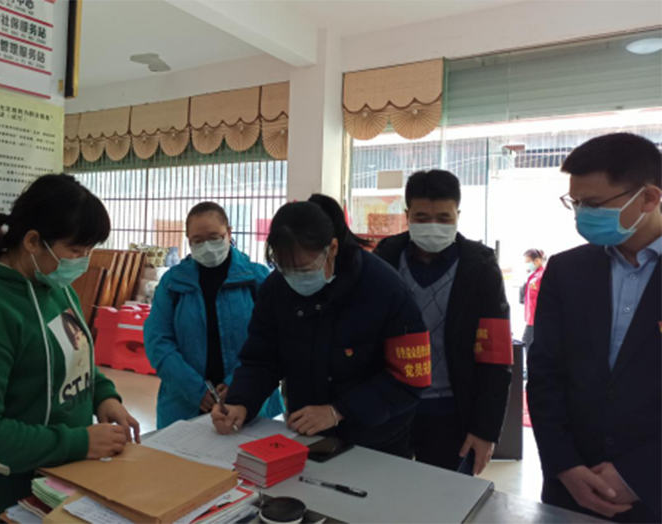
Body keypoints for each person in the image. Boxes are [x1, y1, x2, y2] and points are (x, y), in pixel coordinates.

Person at [0, 174, 141, 524]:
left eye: (88, 251)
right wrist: (79, 443)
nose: (83, 261)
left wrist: (104, 397)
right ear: (32, 241)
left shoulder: (54, 288)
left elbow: (76, 358)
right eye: (76, 251)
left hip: (54, 491)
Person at [212, 194, 430, 457]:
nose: (296, 278)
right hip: (306, 436)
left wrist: (338, 411)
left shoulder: (385, 288)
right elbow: (262, 359)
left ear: (333, 248)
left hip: (376, 440)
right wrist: (240, 403)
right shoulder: (276, 289)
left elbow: (410, 378)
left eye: (305, 269)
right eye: (285, 269)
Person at [528, 133, 662, 523]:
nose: (581, 215)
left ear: (649, 198)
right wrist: (564, 465)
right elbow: (545, 374)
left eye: (593, 204)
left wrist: (639, 475)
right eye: (575, 203)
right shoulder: (567, 270)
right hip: (570, 487)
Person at [374, 170, 512, 476]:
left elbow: (495, 357)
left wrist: (485, 429)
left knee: (446, 499)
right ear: (407, 215)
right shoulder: (384, 260)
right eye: (422, 218)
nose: (433, 226)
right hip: (389, 408)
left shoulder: (480, 269)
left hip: (453, 413)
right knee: (382, 492)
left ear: (458, 216)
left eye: (444, 218)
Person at [145, 202, 284, 429]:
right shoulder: (173, 283)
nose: (207, 246)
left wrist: (238, 384)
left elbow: (269, 341)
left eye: (214, 237)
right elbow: (157, 340)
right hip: (184, 405)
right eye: (198, 240)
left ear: (228, 233)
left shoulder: (256, 279)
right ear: (188, 240)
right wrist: (195, 389)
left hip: (252, 401)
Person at [522, 248, 546, 354]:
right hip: (531, 317)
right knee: (529, 342)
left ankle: (531, 363)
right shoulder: (534, 274)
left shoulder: (542, 275)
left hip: (537, 317)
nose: (527, 265)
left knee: (527, 341)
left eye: (528, 262)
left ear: (537, 260)